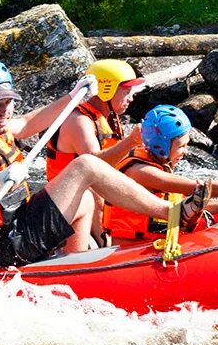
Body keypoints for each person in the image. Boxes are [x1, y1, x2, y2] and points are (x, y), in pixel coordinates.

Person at [0, 57, 208, 269]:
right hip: (0, 247)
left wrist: (73, 95)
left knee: (86, 197)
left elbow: (29, 122)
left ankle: (73, 266)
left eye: (8, 102)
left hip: (16, 227)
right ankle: (171, 212)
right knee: (85, 166)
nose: (4, 110)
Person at [103, 105, 218, 240]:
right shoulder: (141, 172)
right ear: (162, 146)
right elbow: (195, 188)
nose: (186, 151)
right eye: (182, 146)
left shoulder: (155, 160)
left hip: (151, 240)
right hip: (133, 249)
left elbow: (191, 204)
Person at [44, 58, 145, 246]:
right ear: (108, 89)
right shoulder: (79, 121)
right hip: (69, 205)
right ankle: (101, 245)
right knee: (93, 194)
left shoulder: (109, 116)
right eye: (126, 91)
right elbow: (95, 168)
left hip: (95, 202)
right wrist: (131, 141)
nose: (131, 98)